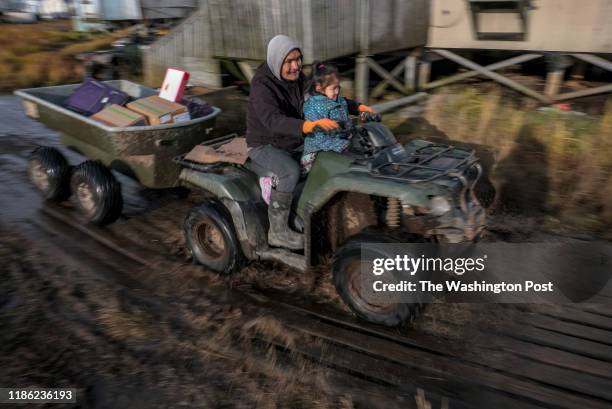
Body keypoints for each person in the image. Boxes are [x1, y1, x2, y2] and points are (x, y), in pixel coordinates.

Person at [246, 35, 339, 251]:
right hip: (264, 144)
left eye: (298, 59)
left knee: (326, 157)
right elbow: (272, 120)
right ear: (277, 61)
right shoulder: (262, 86)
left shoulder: (296, 78)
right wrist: (306, 126)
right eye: (289, 61)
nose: (296, 66)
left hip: (292, 138)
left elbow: (313, 96)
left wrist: (339, 107)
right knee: (290, 171)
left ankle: (302, 212)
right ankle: (278, 231)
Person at [301, 62, 374, 173]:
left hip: (340, 140)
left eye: (338, 87)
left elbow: (348, 103)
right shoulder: (313, 106)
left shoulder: (336, 99)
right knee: (356, 158)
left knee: (368, 145)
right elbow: (319, 137)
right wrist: (342, 144)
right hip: (318, 149)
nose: (337, 92)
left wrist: (360, 108)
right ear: (319, 87)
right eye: (333, 88)